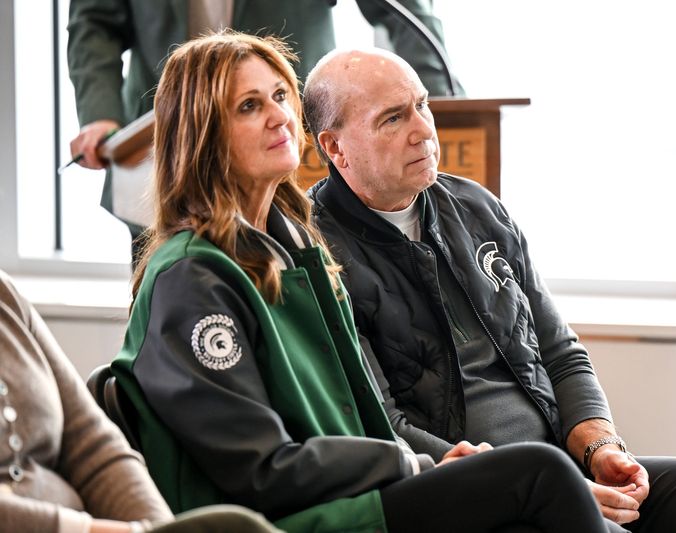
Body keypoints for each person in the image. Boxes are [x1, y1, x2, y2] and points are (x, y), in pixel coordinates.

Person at [110, 30, 617, 532]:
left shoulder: (296, 249)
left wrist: (432, 465)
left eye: (281, 95)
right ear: (203, 133)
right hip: (300, 516)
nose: (279, 116)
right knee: (539, 474)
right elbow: (258, 471)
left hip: (365, 486)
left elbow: (361, 414)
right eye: (248, 106)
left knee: (643, 489)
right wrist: (410, 464)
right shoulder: (192, 278)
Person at [304, 47, 676, 532]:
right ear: (336, 146)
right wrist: (551, 489)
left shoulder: (476, 208)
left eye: (422, 105)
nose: (424, 130)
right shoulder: (315, 254)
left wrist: (600, 448)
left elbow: (559, 352)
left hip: (559, 463)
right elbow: (379, 422)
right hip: (469, 491)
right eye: (392, 119)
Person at [66, 0, 463, 265]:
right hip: (163, 141)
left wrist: (436, 100)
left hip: (299, 141)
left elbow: (402, 9)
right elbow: (94, 22)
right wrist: (99, 113)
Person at [0, 269, 283, 533]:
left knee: (235, 526)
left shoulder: (6, 296)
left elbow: (93, 445)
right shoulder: (188, 274)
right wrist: (88, 529)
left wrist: (156, 527)